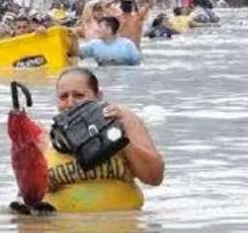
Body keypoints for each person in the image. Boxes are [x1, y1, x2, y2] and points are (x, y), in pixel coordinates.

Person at [39, 67, 164, 211]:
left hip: (122, 222)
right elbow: (29, 195)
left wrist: (118, 138)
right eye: (63, 97)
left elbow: (154, 177)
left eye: (79, 95)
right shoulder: (45, 139)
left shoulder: (121, 119)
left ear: (98, 96)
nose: (70, 103)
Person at [71, 16, 141, 66]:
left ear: (109, 29)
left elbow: (137, 65)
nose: (96, 30)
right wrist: (74, 37)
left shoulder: (127, 45)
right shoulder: (94, 44)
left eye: (100, 27)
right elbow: (75, 53)